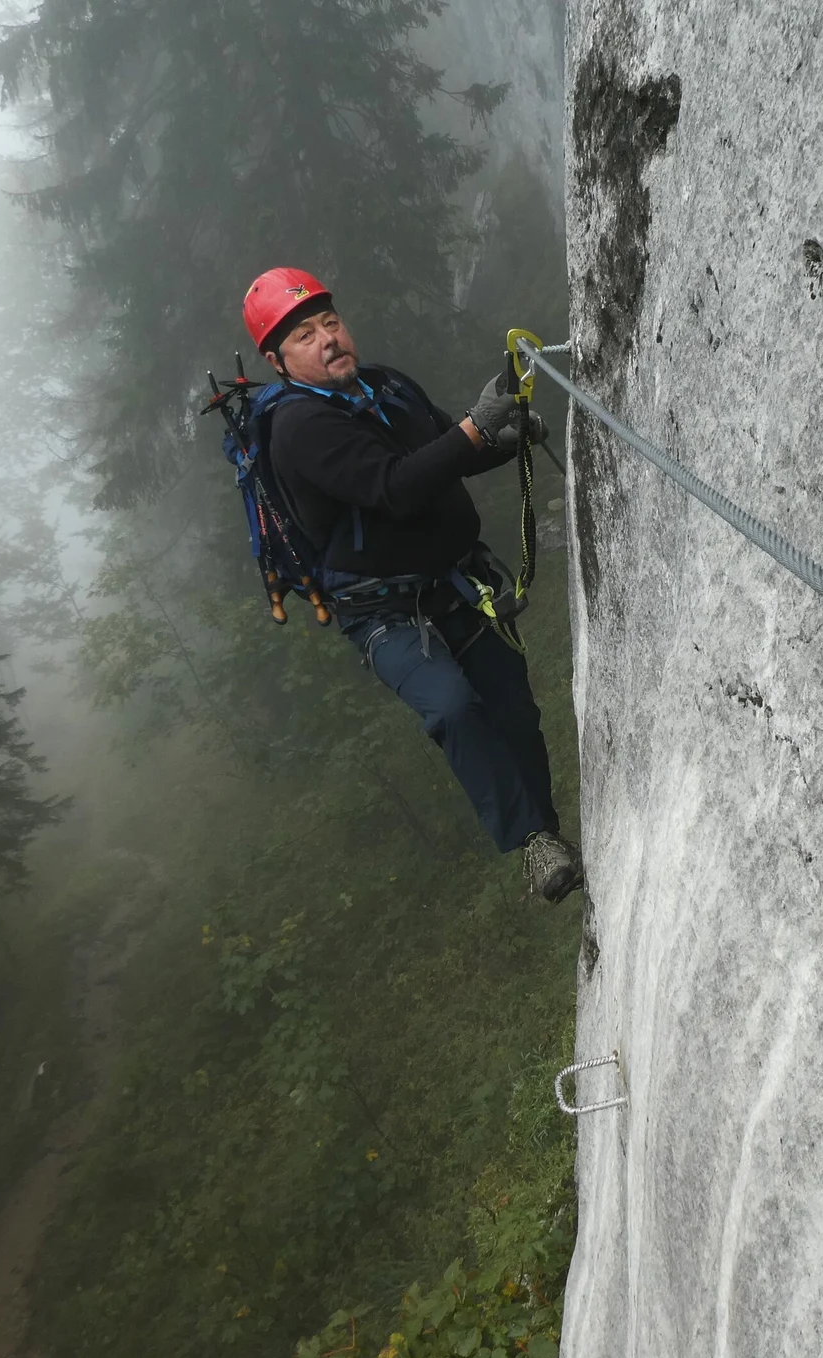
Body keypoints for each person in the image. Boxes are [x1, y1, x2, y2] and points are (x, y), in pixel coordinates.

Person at [240, 267, 584, 901]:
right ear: (277, 360)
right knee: (454, 708)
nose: (329, 339)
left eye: (331, 323)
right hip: (383, 614)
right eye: (306, 335)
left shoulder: (387, 385)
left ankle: (549, 834)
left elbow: (440, 451)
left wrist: (502, 438)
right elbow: (393, 487)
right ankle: (533, 843)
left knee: (515, 711)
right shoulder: (299, 428)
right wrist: (476, 428)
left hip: (453, 583)